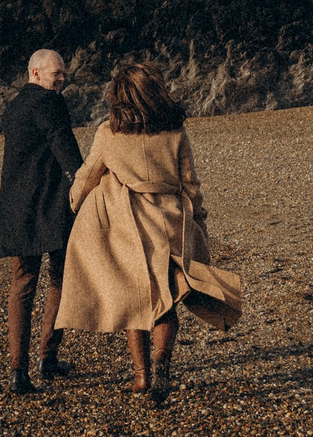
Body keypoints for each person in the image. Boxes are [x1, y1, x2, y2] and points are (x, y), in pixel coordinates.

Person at [55, 62, 243, 406]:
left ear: (119, 97)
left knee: (135, 298)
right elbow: (191, 184)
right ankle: (161, 365)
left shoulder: (109, 133)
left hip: (128, 225)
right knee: (166, 297)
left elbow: (88, 176)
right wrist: (198, 219)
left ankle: (141, 376)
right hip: (170, 222)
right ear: (155, 92)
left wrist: (74, 203)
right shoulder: (175, 132)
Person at [0, 49, 84, 394]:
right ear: (36, 72)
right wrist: (83, 181)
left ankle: (18, 370)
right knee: (59, 277)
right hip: (53, 205)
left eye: (63, 74)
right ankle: (47, 357)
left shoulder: (14, 106)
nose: (61, 79)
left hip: (18, 207)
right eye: (56, 73)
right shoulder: (50, 103)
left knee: (23, 282)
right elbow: (65, 148)